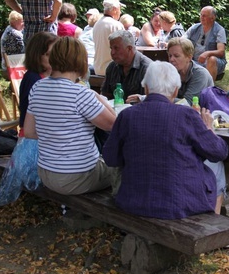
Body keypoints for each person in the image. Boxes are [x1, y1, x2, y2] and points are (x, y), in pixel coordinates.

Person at [103, 61, 229, 218]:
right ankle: (214, 223)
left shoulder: (126, 116)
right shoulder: (187, 115)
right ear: (175, 91)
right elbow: (219, 152)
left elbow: (110, 158)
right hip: (181, 204)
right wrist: (209, 130)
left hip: (132, 201)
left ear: (146, 88)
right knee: (217, 165)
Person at [24, 36, 119, 196]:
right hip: (78, 177)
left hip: (46, 173)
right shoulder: (80, 94)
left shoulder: (37, 87)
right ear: (80, 61)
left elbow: (29, 132)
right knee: (123, 166)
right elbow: (114, 125)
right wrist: (97, 96)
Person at [18, 32, 58, 137]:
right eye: (49, 54)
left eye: (57, 53)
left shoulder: (54, 75)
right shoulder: (33, 79)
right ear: (37, 55)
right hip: (35, 137)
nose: (55, 57)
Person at [101, 30, 152, 101]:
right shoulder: (112, 67)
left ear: (129, 48)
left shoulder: (147, 68)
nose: (112, 52)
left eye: (116, 48)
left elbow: (153, 100)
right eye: (111, 48)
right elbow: (105, 95)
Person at [185, 6, 227, 82]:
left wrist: (207, 53)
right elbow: (182, 41)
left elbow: (221, 52)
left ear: (212, 18)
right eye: (201, 15)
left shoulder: (219, 30)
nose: (201, 17)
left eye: (204, 16)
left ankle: (209, 89)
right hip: (195, 60)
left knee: (212, 59)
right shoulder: (194, 28)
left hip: (213, 63)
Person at [168, 38, 214, 102]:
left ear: (189, 57)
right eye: (170, 56)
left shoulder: (200, 74)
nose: (171, 59)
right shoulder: (171, 73)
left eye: (176, 56)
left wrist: (162, 99)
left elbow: (188, 103)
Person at [92, 0, 125, 75]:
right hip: (113, 70)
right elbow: (124, 48)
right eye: (119, 9)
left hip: (98, 68)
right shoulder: (116, 25)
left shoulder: (97, 24)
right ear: (114, 9)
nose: (120, 12)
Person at [0, 11, 25, 77]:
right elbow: (25, 51)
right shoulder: (15, 34)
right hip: (12, 68)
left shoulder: (9, 28)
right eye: (22, 21)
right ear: (13, 22)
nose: (24, 24)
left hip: (8, 65)